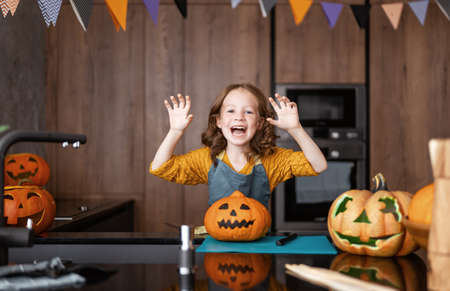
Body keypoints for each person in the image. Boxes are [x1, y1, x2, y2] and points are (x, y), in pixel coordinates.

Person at [150, 83, 327, 208]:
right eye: (231, 110)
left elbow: (319, 165)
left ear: (259, 123)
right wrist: (175, 131)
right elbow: (160, 168)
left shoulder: (272, 160)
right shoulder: (206, 159)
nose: (239, 117)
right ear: (218, 121)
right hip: (218, 242)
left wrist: (295, 129)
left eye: (248, 112)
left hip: (259, 244)